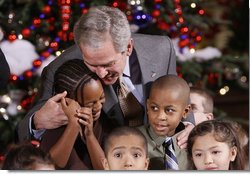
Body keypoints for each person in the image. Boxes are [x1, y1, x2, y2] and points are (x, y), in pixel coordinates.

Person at [17, 6, 194, 146]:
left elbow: (177, 94)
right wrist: (38, 121)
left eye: (109, 64)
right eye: (92, 64)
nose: (101, 73)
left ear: (128, 48)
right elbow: (24, 130)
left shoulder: (161, 49)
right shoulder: (60, 67)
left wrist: (189, 124)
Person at [39, 59, 115, 170]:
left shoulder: (106, 123)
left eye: (101, 97)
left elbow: (106, 169)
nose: (98, 106)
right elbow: (52, 166)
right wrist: (73, 125)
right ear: (68, 102)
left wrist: (89, 136)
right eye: (90, 104)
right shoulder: (56, 128)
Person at [138, 74, 191, 170]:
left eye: (169, 110)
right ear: (147, 105)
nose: (160, 117)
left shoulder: (193, 141)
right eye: (154, 108)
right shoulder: (133, 139)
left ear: (185, 111)